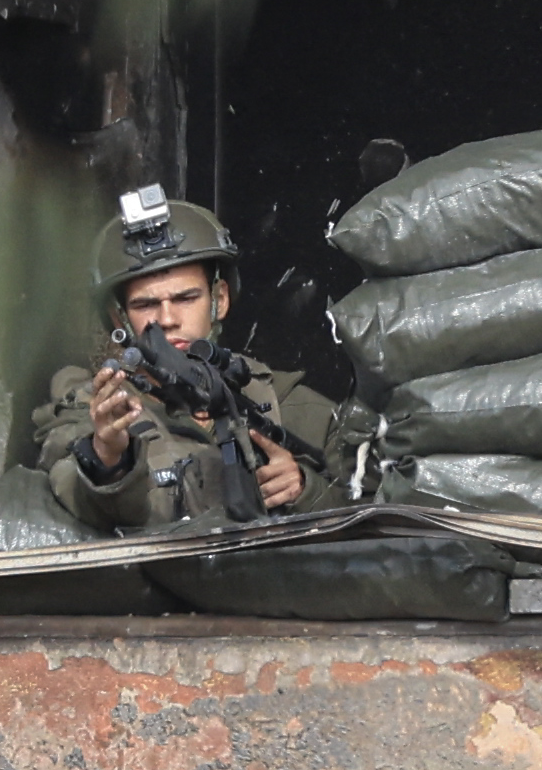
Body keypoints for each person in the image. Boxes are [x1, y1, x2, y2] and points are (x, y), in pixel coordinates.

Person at [36, 188, 368, 532]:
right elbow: (72, 496)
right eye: (146, 305)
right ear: (119, 318)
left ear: (218, 299)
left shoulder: (285, 402)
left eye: (186, 298)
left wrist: (304, 488)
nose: (167, 319)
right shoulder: (92, 409)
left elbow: (371, 511)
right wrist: (107, 454)